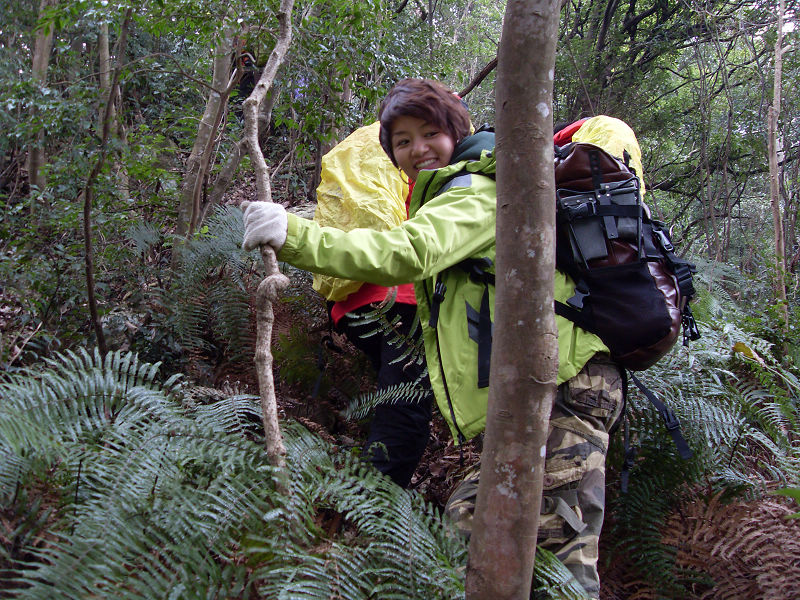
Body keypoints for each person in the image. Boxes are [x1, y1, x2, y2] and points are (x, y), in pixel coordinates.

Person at [241, 78, 623, 599]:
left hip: (565, 384)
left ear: (456, 130)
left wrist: (294, 235)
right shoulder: (457, 188)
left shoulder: (479, 185)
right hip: (540, 386)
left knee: (557, 552)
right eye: (402, 141)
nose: (417, 149)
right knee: (479, 525)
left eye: (429, 133)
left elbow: (410, 252)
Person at [312, 122, 432, 489]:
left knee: (394, 392)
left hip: (350, 303)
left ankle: (366, 484)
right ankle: (373, 507)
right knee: (405, 406)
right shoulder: (432, 153)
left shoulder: (367, 143)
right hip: (401, 298)